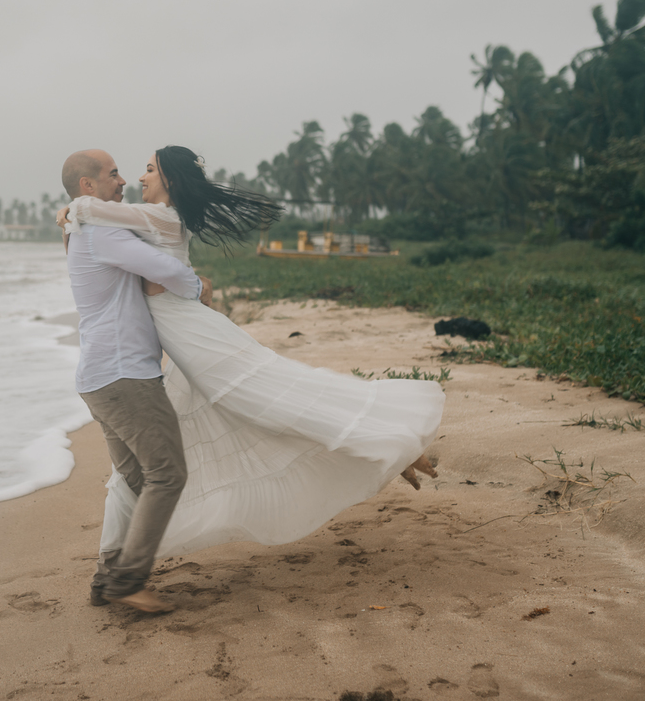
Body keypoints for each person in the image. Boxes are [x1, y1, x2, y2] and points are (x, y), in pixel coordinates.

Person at [58, 146, 444, 562]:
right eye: (126, 172)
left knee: (273, 399)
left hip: (196, 338)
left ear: (169, 179)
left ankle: (389, 442)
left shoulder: (160, 218)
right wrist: (74, 213)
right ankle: (116, 560)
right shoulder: (152, 219)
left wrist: (73, 210)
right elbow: (110, 224)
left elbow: (112, 225)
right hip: (184, 339)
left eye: (149, 170)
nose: (136, 179)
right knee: (266, 402)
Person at [61, 148, 214, 614]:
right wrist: (199, 289)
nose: (123, 181)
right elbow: (164, 269)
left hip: (101, 375)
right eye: (112, 175)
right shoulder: (101, 232)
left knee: (133, 480)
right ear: (88, 187)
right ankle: (128, 580)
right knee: (167, 474)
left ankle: (107, 578)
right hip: (125, 374)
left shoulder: (90, 226)